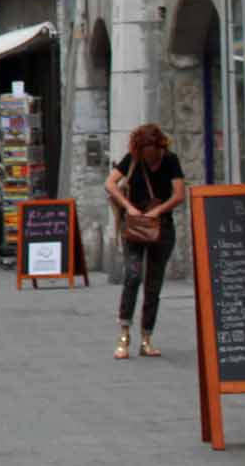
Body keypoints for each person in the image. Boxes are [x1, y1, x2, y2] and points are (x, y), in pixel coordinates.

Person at [104, 122, 186, 360]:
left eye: (152, 153)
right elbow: (110, 183)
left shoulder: (170, 160)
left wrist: (157, 211)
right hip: (135, 226)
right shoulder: (133, 158)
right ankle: (124, 335)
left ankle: (146, 338)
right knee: (132, 275)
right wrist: (129, 207)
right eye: (144, 153)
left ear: (159, 146)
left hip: (162, 227)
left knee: (154, 284)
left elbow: (179, 194)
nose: (149, 159)